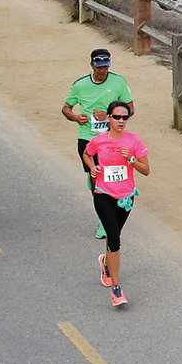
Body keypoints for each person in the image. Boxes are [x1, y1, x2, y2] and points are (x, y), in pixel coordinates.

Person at [62, 49, 134, 241]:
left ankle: (108, 220)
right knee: (93, 179)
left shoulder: (118, 82)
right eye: (99, 67)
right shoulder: (81, 85)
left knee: (110, 177)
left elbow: (130, 109)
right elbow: (66, 107)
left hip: (112, 139)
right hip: (87, 139)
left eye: (106, 66)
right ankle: (105, 214)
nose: (103, 70)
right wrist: (76, 117)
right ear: (92, 65)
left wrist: (109, 116)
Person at [83, 100, 149, 306]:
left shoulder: (134, 141)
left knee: (115, 236)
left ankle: (106, 261)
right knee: (114, 238)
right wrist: (92, 168)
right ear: (109, 118)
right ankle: (116, 289)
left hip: (126, 196)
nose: (121, 121)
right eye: (117, 117)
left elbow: (146, 170)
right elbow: (87, 153)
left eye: (125, 117)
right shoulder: (99, 140)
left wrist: (130, 159)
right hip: (103, 193)